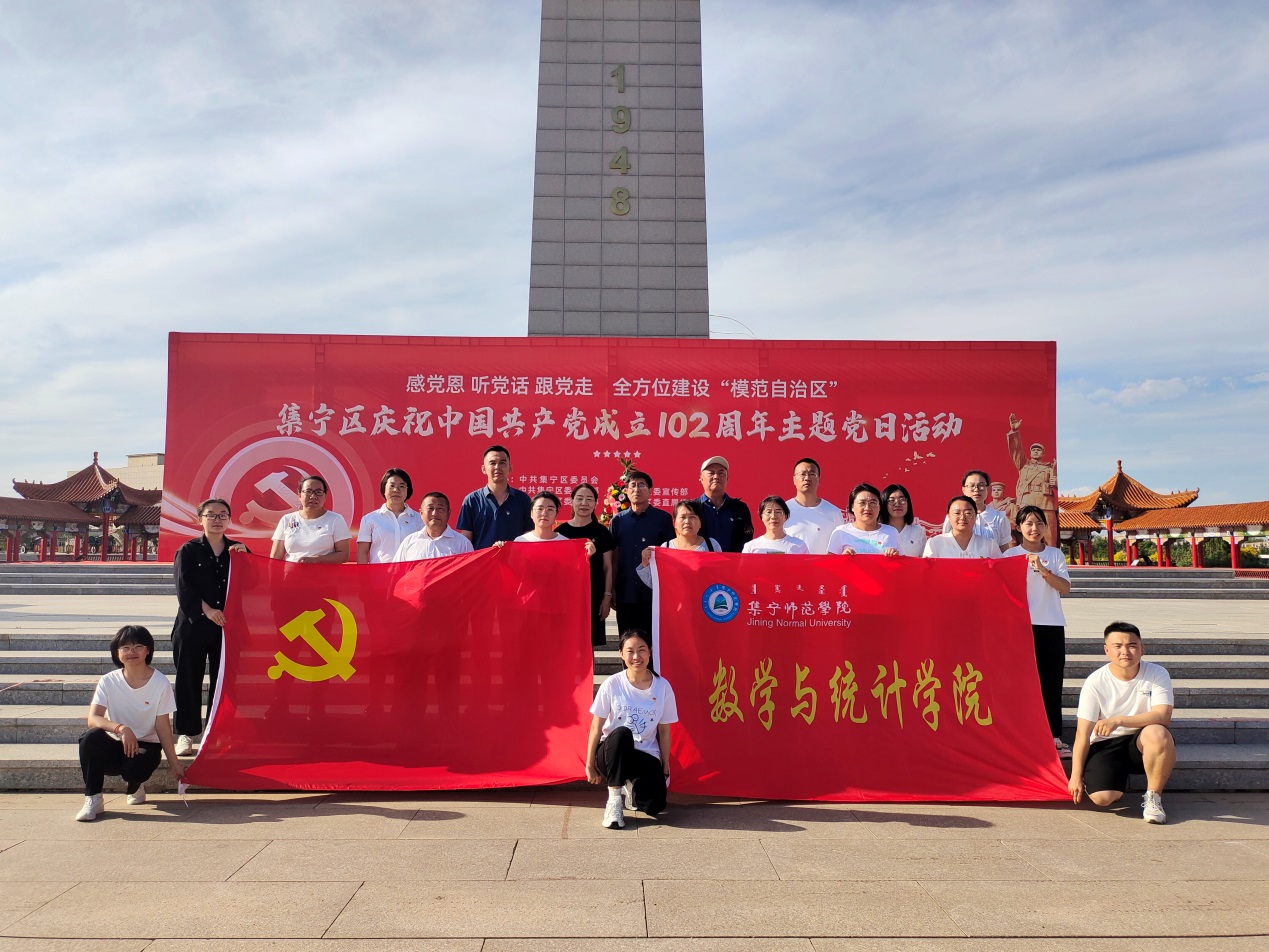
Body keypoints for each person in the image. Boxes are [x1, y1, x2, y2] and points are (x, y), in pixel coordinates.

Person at [1068, 622, 1176, 824]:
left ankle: (1153, 798)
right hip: (1106, 743)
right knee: (1103, 799)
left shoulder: (1157, 673)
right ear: (1106, 650)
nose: (1125, 652)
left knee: (1158, 733)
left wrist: (1119, 720)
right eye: (1117, 646)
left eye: (1132, 645)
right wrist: (1075, 776)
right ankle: (1115, 780)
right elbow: (1082, 733)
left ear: (1142, 649)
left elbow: (1163, 716)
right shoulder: (1095, 681)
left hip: (1141, 741)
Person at [76, 626, 185, 821]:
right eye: (125, 647)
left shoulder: (160, 683)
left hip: (145, 745)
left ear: (148, 650)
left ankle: (135, 785)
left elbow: (162, 726)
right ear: (117, 652)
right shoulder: (108, 681)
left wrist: (174, 763)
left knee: (135, 769)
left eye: (138, 646)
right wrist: (121, 728)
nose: (131, 652)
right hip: (117, 740)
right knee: (90, 738)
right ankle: (93, 798)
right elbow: (93, 718)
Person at [170, 497, 249, 756]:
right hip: (193, 624)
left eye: (222, 515)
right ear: (200, 519)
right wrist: (208, 610)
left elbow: (253, 584)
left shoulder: (238, 550)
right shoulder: (188, 550)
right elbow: (184, 588)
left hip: (227, 626)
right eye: (211, 515)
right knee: (188, 678)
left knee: (222, 680)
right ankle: (186, 733)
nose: (217, 519)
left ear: (229, 519)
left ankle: (217, 731)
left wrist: (247, 561)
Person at [585, 629, 678, 829]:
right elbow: (596, 727)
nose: (636, 657)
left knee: (655, 806)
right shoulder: (612, 684)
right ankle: (614, 801)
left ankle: (631, 788)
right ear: (621, 654)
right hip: (612, 752)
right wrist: (589, 764)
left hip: (644, 754)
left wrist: (664, 767)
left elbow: (664, 731)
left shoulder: (662, 687)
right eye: (630, 651)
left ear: (650, 652)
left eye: (642, 650)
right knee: (622, 733)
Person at [1000, 506, 1072, 755]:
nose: (1034, 528)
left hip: (1050, 624)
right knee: (1018, 682)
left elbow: (1064, 587)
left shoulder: (1054, 554)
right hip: (1019, 627)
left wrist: (1042, 569)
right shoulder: (1010, 555)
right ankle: (1019, 733)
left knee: (1051, 680)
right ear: (1019, 527)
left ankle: (1053, 734)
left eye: (1039, 523)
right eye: (1029, 523)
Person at [609, 470, 674, 637]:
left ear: (650, 491)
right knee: (626, 640)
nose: (637, 489)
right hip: (626, 591)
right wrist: (612, 589)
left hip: (653, 593)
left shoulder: (663, 519)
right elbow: (614, 558)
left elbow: (670, 555)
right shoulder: (618, 521)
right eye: (633, 485)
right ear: (626, 491)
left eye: (642, 485)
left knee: (652, 640)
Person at [557, 483, 617, 648]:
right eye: (580, 498)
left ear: (595, 503)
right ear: (571, 501)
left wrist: (607, 597)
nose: (584, 503)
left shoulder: (601, 532)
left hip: (593, 596)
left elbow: (607, 568)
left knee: (588, 644)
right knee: (565, 643)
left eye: (589, 499)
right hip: (566, 597)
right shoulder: (561, 532)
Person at [456, 444, 533, 549]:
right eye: (492, 463)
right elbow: (466, 541)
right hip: (483, 559)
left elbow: (528, 536)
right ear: (484, 469)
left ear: (510, 468)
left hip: (514, 558)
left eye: (502, 462)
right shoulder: (472, 500)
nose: (497, 467)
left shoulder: (523, 499)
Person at [637, 499, 720, 586]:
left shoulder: (711, 545)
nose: (687, 522)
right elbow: (656, 584)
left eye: (692, 517)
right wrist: (645, 563)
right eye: (683, 517)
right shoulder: (666, 548)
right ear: (674, 523)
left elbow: (721, 577)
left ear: (700, 523)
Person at [269, 474, 351, 563]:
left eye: (318, 492)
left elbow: (343, 555)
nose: (313, 496)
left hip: (323, 572)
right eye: (308, 491)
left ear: (325, 496)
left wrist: (316, 560)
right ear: (299, 495)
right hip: (292, 571)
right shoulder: (287, 519)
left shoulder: (335, 519)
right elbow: (275, 557)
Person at [1008, 413, 1059, 547]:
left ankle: (1051, 558)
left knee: (1049, 536)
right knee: (1027, 535)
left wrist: (1057, 484)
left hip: (1046, 503)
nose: (1036, 451)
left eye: (1038, 450)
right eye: (1033, 450)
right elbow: (1016, 451)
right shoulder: (1024, 465)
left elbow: (1061, 487)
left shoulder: (1050, 468)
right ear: (1030, 453)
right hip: (1027, 501)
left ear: (1043, 453)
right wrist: (1014, 432)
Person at [357, 468, 422, 563]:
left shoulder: (419, 519)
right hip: (380, 571)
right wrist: (362, 572)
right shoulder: (370, 519)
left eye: (401, 486)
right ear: (384, 489)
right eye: (392, 486)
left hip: (410, 571)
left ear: (408, 490)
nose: (396, 490)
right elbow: (362, 552)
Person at [784, 457, 845, 554]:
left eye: (812, 474)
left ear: (819, 480)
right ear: (794, 479)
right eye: (803, 474)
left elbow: (841, 546)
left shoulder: (833, 512)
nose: (807, 478)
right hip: (791, 564)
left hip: (825, 564)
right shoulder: (783, 510)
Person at [941, 470, 1013, 550]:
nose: (976, 489)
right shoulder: (953, 517)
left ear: (987, 489)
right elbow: (946, 545)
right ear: (963, 489)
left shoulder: (999, 517)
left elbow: (1004, 550)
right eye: (971, 486)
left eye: (981, 485)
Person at [696, 455, 753, 553]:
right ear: (701, 478)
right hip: (700, 560)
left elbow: (746, 539)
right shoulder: (693, 508)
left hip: (733, 561)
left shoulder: (740, 508)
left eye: (721, 473)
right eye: (711, 473)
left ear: (727, 478)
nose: (716, 476)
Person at [394, 492, 474, 561]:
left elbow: (471, 572)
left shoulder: (463, 544)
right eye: (430, 508)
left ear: (448, 513)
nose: (434, 513)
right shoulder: (409, 542)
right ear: (421, 513)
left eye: (440, 508)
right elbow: (396, 571)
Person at [827, 483, 901, 556]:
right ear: (852, 507)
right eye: (862, 503)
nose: (867, 508)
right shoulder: (841, 532)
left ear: (879, 507)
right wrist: (842, 559)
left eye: (872, 503)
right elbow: (829, 562)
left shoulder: (891, 532)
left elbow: (903, 562)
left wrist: (895, 557)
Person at [924, 496, 1003, 559]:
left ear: (975, 516)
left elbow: (999, 570)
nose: (962, 518)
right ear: (949, 517)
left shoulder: (989, 545)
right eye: (957, 513)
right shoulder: (935, 543)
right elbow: (928, 571)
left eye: (968, 513)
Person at [743, 496, 809, 554]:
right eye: (768, 512)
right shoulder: (751, 547)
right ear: (762, 516)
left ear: (785, 516)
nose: (773, 516)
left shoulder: (799, 545)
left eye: (778, 512)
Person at [880, 483, 927, 558]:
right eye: (892, 500)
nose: (897, 504)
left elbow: (924, 560)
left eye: (902, 499)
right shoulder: (878, 531)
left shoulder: (918, 531)